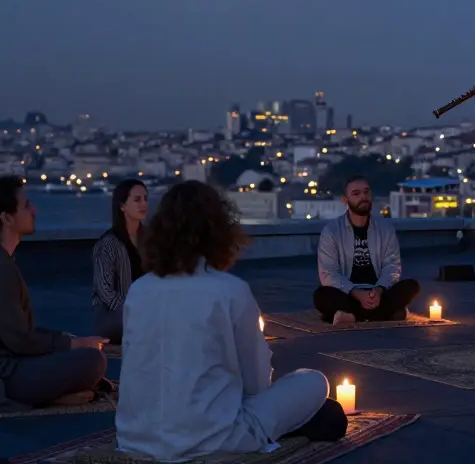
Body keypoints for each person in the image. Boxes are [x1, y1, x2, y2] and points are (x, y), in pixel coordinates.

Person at [116, 181, 346, 460]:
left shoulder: (139, 289)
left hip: (135, 438)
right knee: (315, 383)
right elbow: (257, 384)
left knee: (321, 412)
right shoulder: (229, 290)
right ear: (219, 232)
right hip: (212, 439)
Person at [0, 177, 109, 412]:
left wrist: (68, 341)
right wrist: (75, 344)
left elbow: (18, 333)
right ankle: (45, 398)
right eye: (26, 206)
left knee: (76, 348)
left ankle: (50, 391)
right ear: (7, 217)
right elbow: (20, 340)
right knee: (92, 361)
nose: (35, 210)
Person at [313, 176, 421, 324]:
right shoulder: (332, 231)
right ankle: (385, 314)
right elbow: (328, 274)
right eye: (356, 194)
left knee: (411, 286)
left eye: (366, 192)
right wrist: (356, 293)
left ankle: (351, 316)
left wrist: (379, 289)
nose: (363, 197)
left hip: (379, 294)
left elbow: (392, 267)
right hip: (348, 293)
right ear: (345, 200)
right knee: (321, 295)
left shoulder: (385, 229)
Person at [91, 178, 148, 343]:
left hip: (147, 309)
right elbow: (105, 291)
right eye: (137, 200)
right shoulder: (108, 244)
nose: (143, 204)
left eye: (145, 198)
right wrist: (132, 309)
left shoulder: (151, 240)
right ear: (122, 206)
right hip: (114, 316)